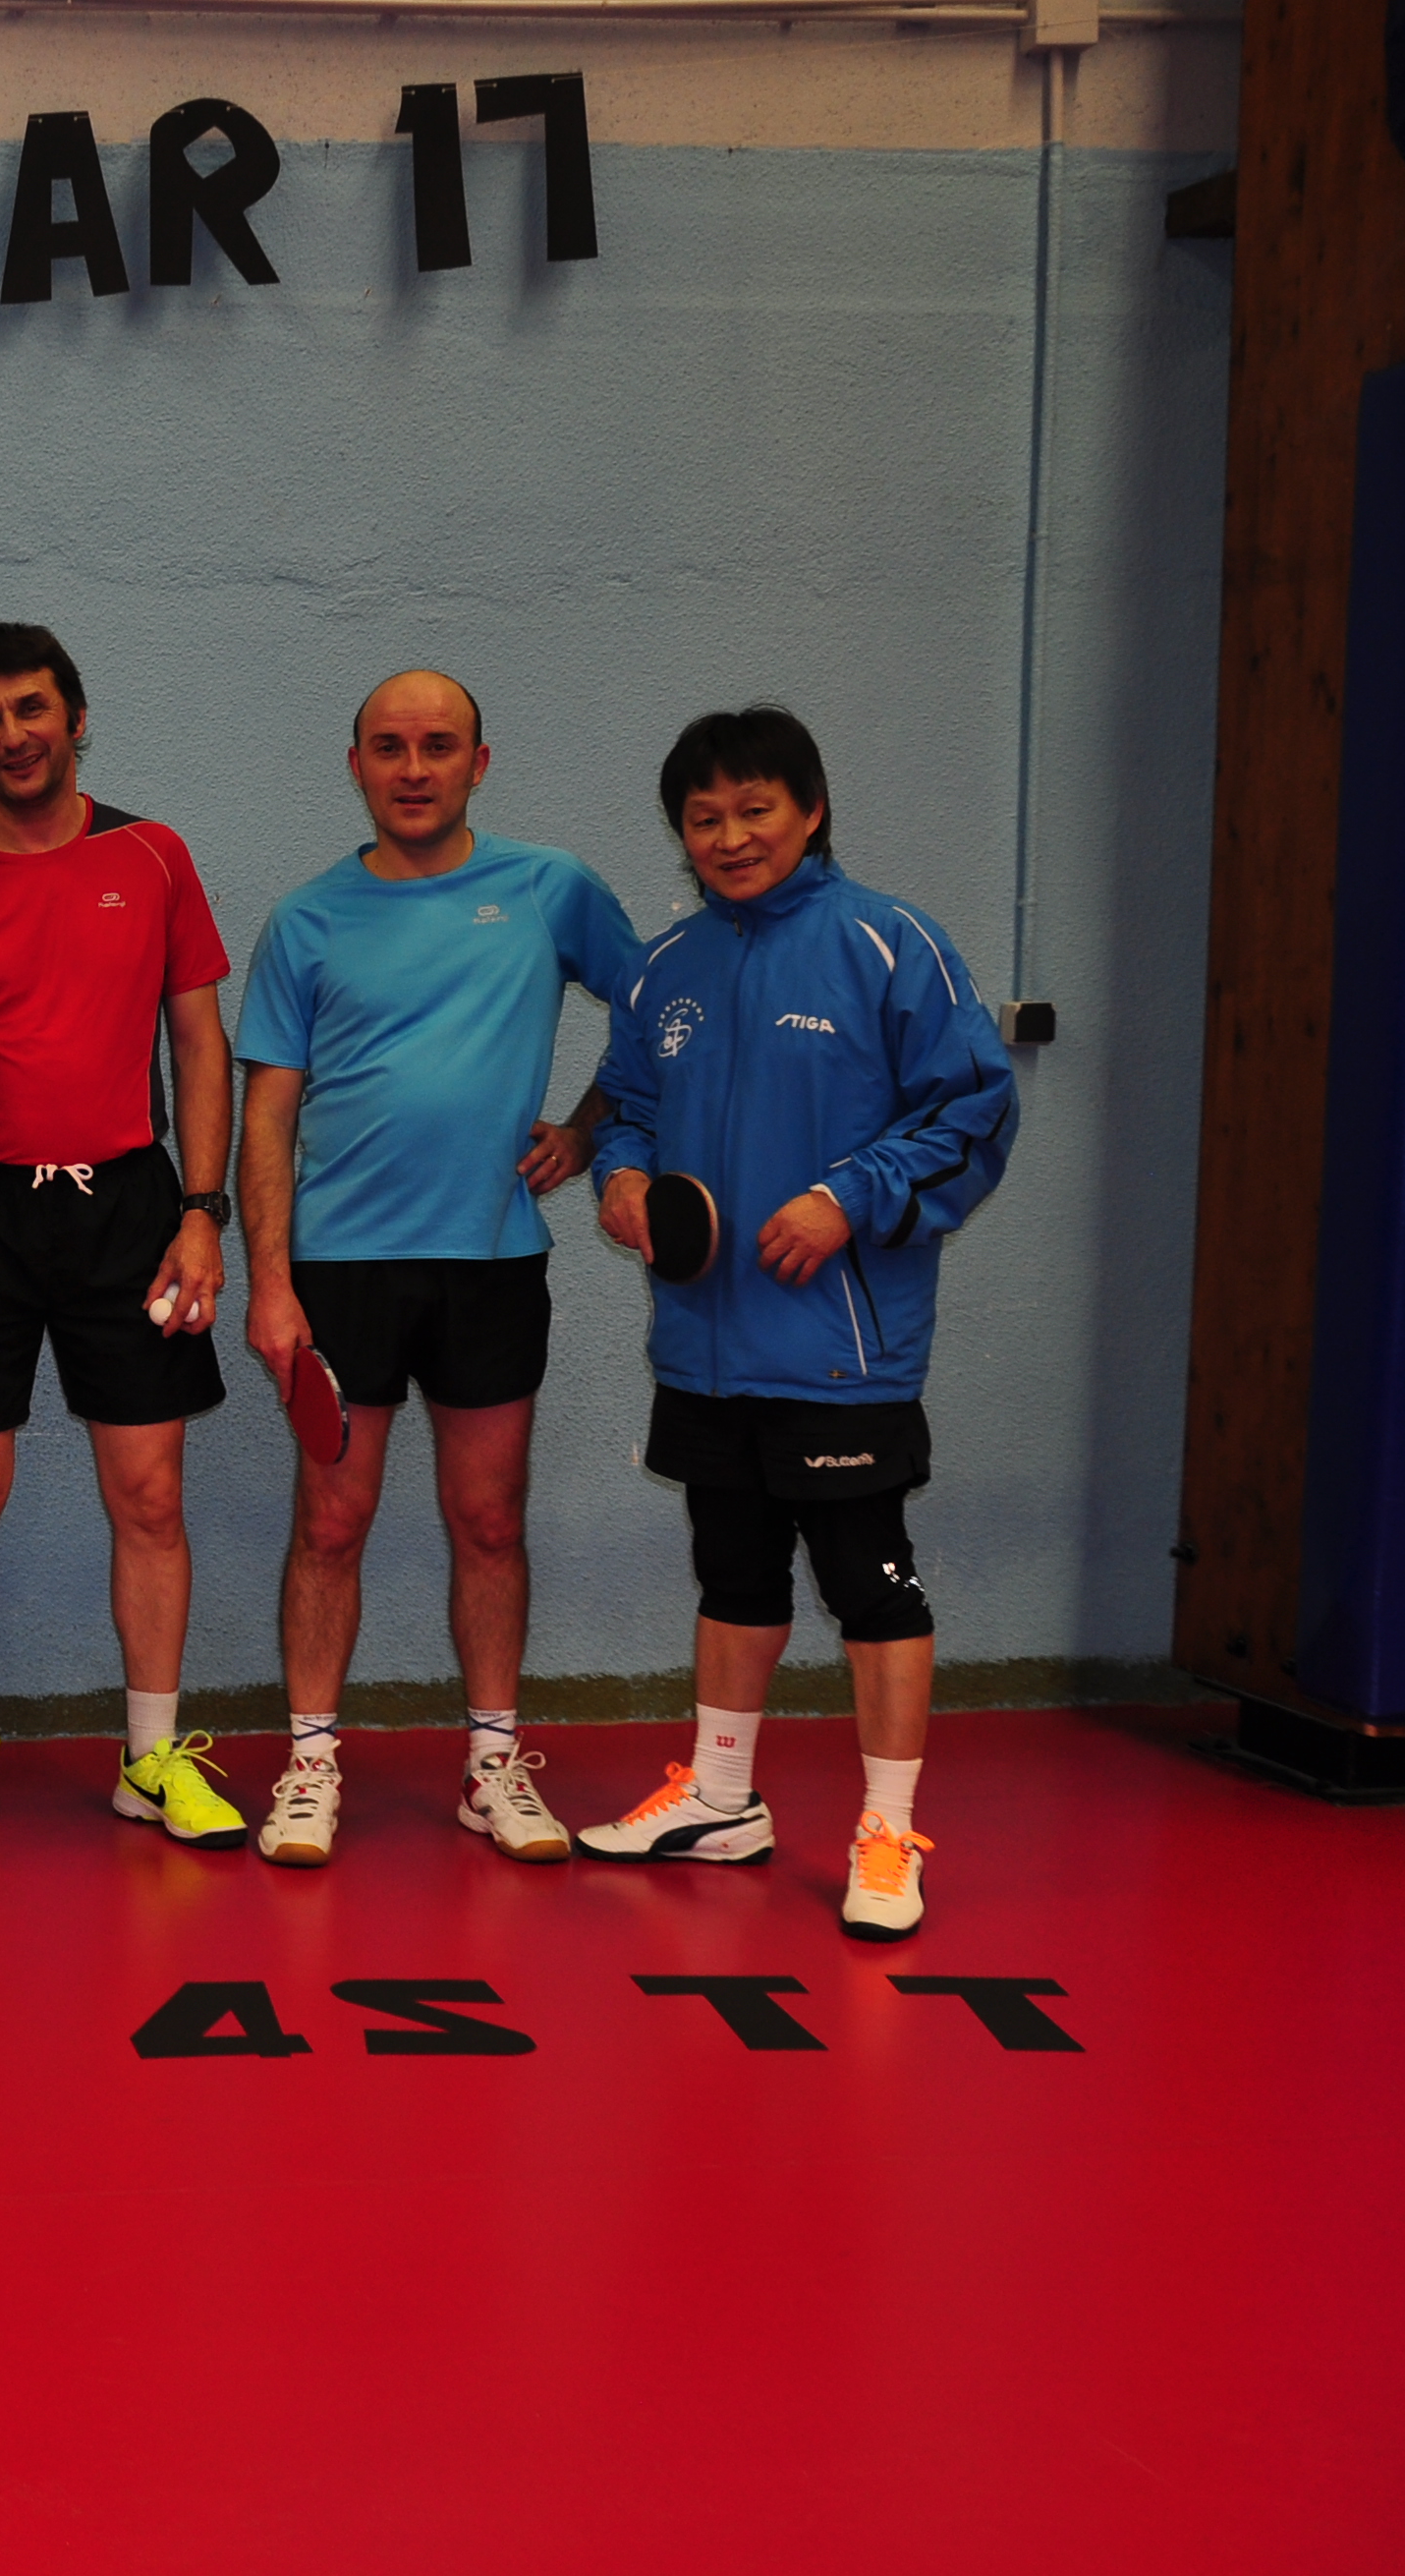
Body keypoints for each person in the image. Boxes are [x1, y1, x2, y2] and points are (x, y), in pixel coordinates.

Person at [574, 705, 1017, 1938]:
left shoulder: (888, 943)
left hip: (839, 1349)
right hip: (704, 1347)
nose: (729, 836)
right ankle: (721, 1801)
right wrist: (619, 1173)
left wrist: (848, 1197)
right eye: (703, 817)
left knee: (870, 1586)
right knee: (732, 1573)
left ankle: (886, 1832)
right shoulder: (666, 965)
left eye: (753, 809)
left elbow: (972, 1111)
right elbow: (627, 1106)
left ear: (809, 810)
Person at [233, 670, 646, 1867]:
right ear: (354, 764)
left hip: (491, 1262)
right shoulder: (305, 920)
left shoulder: (549, 887)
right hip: (340, 1271)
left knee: (488, 1519)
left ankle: (491, 1765)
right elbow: (266, 1116)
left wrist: (589, 1128)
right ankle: (311, 1764)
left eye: (437, 745)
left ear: (479, 761)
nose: (412, 768)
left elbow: (660, 1013)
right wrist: (270, 1281)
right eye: (388, 746)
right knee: (331, 1521)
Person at [0, 623, 247, 1853]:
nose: (13, 736)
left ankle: (151, 1758)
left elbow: (197, 1040)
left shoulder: (152, 855)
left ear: (76, 717)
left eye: (32, 709)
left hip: (131, 1212)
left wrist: (203, 1212)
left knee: (149, 1491)